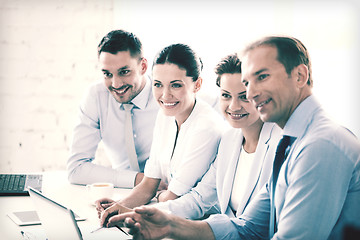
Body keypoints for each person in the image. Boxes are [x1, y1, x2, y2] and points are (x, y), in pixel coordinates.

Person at [108, 36, 360, 240]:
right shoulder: (292, 141)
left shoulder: (320, 145)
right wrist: (170, 226)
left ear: (300, 76)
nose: (252, 93)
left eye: (262, 77)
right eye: (248, 81)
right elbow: (249, 227)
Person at [138, 53, 281, 220]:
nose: (234, 106)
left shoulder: (281, 145)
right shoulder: (229, 141)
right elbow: (199, 199)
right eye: (226, 95)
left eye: (244, 96)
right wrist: (140, 214)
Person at [96, 43, 226, 216]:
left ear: (197, 85)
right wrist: (119, 206)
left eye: (176, 85)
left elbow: (172, 198)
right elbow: (149, 183)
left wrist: (151, 200)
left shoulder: (206, 127)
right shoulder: (166, 114)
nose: (165, 95)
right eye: (158, 84)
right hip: (165, 214)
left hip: (196, 223)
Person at [67, 29, 160, 188]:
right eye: (107, 74)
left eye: (124, 72)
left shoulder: (166, 96)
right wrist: (139, 180)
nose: (116, 84)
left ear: (143, 66)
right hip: (120, 192)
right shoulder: (97, 96)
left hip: (167, 194)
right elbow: (76, 169)